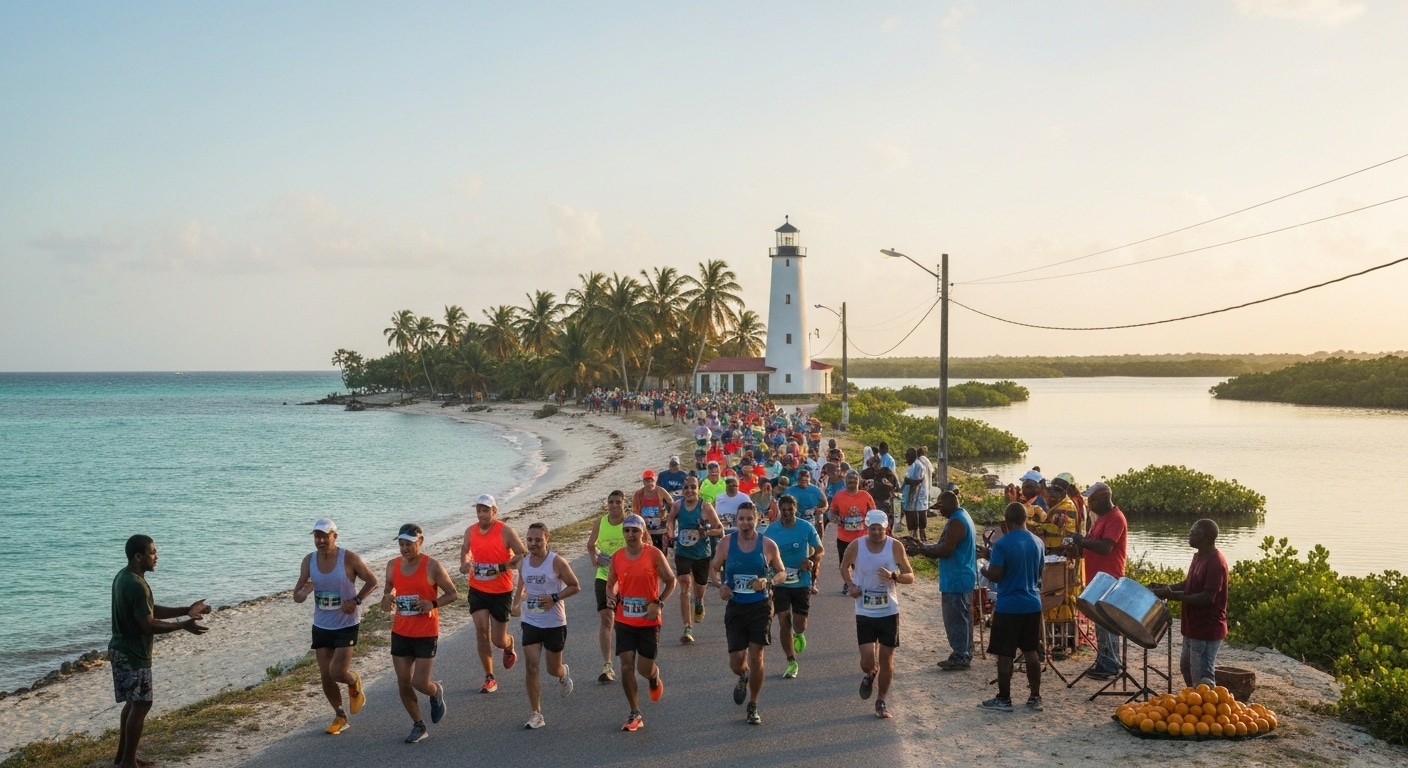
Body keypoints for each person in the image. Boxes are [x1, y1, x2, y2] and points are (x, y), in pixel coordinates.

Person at [109, 535, 211, 768]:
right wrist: (183, 625)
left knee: (133, 703)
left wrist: (187, 610)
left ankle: (124, 758)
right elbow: (149, 624)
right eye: (152, 552)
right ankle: (127, 763)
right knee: (142, 703)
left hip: (122, 650)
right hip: (132, 653)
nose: (156, 557)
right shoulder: (136, 584)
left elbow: (148, 610)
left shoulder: (124, 577)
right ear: (138, 556)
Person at [292, 518, 379, 735]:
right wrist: (304, 591)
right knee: (326, 675)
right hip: (321, 624)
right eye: (316, 536)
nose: (320, 540)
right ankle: (340, 715)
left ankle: (353, 680)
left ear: (335, 536)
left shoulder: (348, 558)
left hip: (346, 623)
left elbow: (372, 581)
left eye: (324, 536)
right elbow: (298, 595)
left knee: (338, 671)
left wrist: (356, 600)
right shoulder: (308, 561)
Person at [710, 502, 789, 725]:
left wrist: (769, 581)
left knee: (757, 656)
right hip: (736, 606)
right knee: (737, 662)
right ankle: (743, 676)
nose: (745, 523)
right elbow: (714, 568)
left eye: (749, 518)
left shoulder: (768, 545)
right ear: (736, 520)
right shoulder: (727, 542)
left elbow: (782, 572)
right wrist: (720, 587)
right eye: (741, 518)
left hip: (760, 606)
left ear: (757, 519)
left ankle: (753, 704)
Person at [382, 523, 459, 743]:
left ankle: (435, 692)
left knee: (419, 682)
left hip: (426, 632)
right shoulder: (392, 565)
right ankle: (418, 725)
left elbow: (453, 593)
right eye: (401, 544)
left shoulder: (432, 566)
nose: (405, 548)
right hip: (401, 631)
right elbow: (389, 591)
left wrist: (432, 603)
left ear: (420, 542)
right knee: (403, 681)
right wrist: (388, 598)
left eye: (409, 544)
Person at [606, 514, 678, 732]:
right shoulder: (617, 557)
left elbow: (671, 581)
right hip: (624, 619)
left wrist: (658, 603)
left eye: (635, 530)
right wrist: (611, 596)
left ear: (643, 532)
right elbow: (611, 585)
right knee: (626, 666)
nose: (630, 535)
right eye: (627, 531)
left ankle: (654, 676)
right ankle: (635, 712)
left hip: (648, 621)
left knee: (643, 668)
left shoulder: (653, 554)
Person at [840, 510, 914, 719]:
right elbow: (844, 566)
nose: (875, 533)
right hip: (864, 609)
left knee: (887, 659)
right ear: (866, 528)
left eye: (879, 529)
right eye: (872, 529)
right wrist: (851, 585)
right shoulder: (857, 545)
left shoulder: (895, 546)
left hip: (889, 610)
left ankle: (881, 701)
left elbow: (910, 576)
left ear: (886, 528)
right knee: (867, 662)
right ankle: (871, 673)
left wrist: (895, 576)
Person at [979, 503, 1045, 713]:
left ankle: (1004, 698)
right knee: (1031, 651)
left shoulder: (1002, 544)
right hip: (1032, 603)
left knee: (1005, 654)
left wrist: (984, 569)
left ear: (1005, 522)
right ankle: (1035, 696)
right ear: (1026, 519)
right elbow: (1039, 571)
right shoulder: (1038, 542)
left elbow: (997, 575)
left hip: (1009, 605)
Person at [459, 493, 528, 694]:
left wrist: (503, 566)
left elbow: (522, 554)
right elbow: (465, 549)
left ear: (494, 511)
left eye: (485, 510)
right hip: (477, 588)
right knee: (481, 632)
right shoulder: (470, 531)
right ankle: (489, 677)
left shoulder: (505, 531)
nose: (481, 514)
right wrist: (464, 562)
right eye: (478, 510)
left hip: (501, 591)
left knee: (497, 639)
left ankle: (508, 643)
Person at [514, 522, 580, 729]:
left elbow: (575, 586)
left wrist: (554, 597)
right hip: (531, 620)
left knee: (552, 669)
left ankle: (562, 673)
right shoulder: (522, 563)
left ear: (547, 539)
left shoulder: (556, 562)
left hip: (554, 622)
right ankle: (536, 714)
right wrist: (516, 605)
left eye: (537, 540)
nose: (533, 544)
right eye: (529, 540)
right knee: (531, 666)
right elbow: (521, 587)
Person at [1152, 519, 1229, 688]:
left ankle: (1207, 709)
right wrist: (1166, 589)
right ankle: (1194, 703)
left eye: (1194, 533)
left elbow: (1207, 597)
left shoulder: (1215, 562)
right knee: (1186, 667)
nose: (1190, 535)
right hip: (1193, 626)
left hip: (1206, 628)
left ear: (1205, 538)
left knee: (1202, 675)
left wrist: (1173, 596)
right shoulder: (1200, 556)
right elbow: (1189, 583)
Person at [762, 494, 824, 679]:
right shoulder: (771, 530)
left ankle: (799, 634)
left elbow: (819, 550)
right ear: (779, 510)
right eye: (784, 510)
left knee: (799, 624)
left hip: (801, 580)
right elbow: (763, 554)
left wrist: (811, 561)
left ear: (795, 509)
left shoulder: (805, 527)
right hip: (780, 581)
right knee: (783, 621)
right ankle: (791, 661)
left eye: (791, 509)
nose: (787, 513)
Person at [1070, 481, 1127, 680]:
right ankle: (1104, 659)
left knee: (1107, 622)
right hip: (1096, 577)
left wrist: (1082, 541)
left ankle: (1110, 663)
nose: (1089, 504)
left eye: (1092, 500)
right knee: (1099, 622)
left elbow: (1105, 547)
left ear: (1103, 498)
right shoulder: (1100, 518)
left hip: (1109, 577)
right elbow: (1092, 544)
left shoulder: (1116, 518)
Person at [916, 491, 978, 670]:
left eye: (941, 508)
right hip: (963, 576)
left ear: (949, 503)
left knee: (955, 618)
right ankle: (966, 651)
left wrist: (923, 550)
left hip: (956, 578)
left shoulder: (957, 522)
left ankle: (960, 655)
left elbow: (945, 550)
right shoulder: (963, 516)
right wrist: (926, 548)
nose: (940, 513)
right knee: (963, 616)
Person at [665, 474, 722, 643]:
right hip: (683, 552)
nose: (689, 490)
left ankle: (699, 601)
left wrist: (706, 532)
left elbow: (719, 529)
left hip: (701, 554)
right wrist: (670, 533)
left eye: (693, 487)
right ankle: (687, 627)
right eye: (686, 487)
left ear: (698, 489)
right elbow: (669, 521)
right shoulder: (677, 505)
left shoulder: (706, 507)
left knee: (699, 587)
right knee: (684, 584)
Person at [586, 490, 628, 683]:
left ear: (623, 504)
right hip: (604, 577)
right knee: (606, 620)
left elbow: (646, 544)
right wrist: (595, 559)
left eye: (617, 502)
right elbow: (590, 544)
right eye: (611, 502)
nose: (614, 505)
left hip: (627, 579)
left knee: (624, 622)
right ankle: (607, 665)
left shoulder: (631, 524)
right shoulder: (600, 523)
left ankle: (628, 660)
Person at [829, 470, 877, 595]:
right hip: (844, 536)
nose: (852, 483)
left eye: (854, 480)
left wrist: (869, 522)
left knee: (861, 562)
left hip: (861, 536)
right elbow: (831, 512)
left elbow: (873, 512)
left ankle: (860, 583)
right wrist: (834, 518)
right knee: (844, 563)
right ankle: (848, 584)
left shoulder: (865, 496)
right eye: (849, 480)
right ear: (845, 481)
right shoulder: (839, 496)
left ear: (858, 482)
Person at [635, 470, 676, 552]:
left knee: (663, 552)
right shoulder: (639, 494)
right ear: (643, 482)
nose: (649, 484)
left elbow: (672, 504)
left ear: (656, 480)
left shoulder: (661, 491)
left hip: (661, 529)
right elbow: (635, 511)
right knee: (647, 552)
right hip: (646, 530)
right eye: (647, 481)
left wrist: (669, 518)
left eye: (651, 481)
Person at [860, 453, 900, 530]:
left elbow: (892, 487)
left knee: (886, 524)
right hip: (874, 503)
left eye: (876, 462)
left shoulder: (886, 472)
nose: (874, 466)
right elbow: (861, 483)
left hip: (886, 502)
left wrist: (875, 484)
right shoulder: (867, 473)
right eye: (872, 464)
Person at [901, 447, 931, 541]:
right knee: (914, 515)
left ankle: (919, 539)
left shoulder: (918, 466)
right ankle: (915, 537)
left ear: (913, 456)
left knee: (917, 516)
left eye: (908, 457)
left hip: (916, 496)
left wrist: (906, 481)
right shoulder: (914, 465)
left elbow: (916, 482)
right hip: (913, 496)